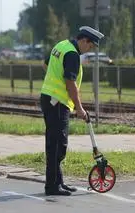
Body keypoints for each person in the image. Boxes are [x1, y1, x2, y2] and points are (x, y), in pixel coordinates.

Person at [40, 26, 104, 196]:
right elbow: (70, 84)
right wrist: (79, 108)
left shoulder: (61, 45)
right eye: (89, 46)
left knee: (55, 143)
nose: (88, 50)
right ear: (84, 41)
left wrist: (55, 82)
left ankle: (57, 182)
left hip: (50, 99)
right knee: (57, 146)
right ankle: (52, 186)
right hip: (58, 103)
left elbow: (45, 64)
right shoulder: (72, 55)